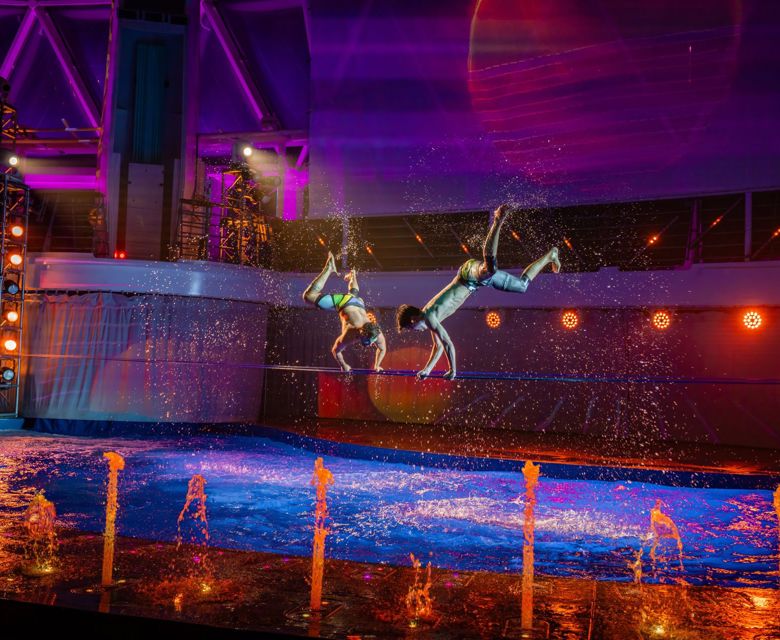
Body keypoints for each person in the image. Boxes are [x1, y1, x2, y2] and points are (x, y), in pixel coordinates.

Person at [395, 205, 560, 379]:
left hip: (467, 275)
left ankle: (498, 220)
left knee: (490, 269)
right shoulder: (430, 320)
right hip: (475, 283)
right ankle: (550, 256)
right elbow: (439, 347)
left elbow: (448, 343)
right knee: (522, 286)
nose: (416, 332)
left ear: (413, 320)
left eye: (412, 329)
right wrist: (427, 370)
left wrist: (453, 370)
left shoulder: (429, 316)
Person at [303, 252, 387, 372]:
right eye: (368, 341)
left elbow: (382, 348)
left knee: (354, 294)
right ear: (361, 332)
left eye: (371, 342)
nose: (369, 345)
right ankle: (328, 269)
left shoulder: (376, 333)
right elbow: (335, 350)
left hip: (358, 302)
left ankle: (353, 275)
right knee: (308, 296)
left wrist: (377, 365)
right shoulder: (350, 333)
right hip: (345, 301)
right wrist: (343, 365)